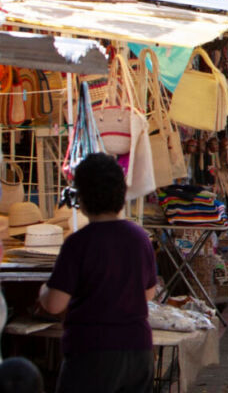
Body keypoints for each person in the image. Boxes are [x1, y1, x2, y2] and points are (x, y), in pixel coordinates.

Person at [38, 153, 156, 392]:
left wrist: (42, 291)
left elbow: (54, 304)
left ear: (82, 196)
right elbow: (149, 293)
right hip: (138, 349)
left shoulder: (78, 243)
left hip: (92, 351)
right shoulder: (139, 238)